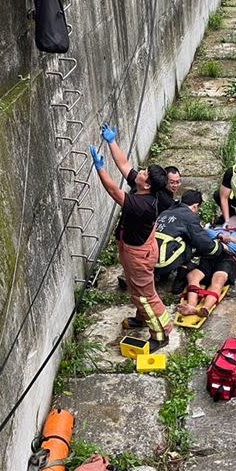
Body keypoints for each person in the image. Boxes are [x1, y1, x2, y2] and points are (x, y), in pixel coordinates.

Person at [91, 123, 173, 347]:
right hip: (137, 249)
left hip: (138, 254)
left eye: (144, 173)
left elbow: (113, 191)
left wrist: (99, 168)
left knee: (145, 295)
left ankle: (161, 333)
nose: (141, 172)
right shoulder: (147, 190)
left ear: (146, 184)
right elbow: (125, 165)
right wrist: (111, 142)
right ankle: (141, 318)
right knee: (137, 287)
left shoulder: (141, 204)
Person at [178, 218, 236, 323]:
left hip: (229, 255)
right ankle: (191, 305)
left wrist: (229, 238)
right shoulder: (215, 229)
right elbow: (203, 235)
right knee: (193, 276)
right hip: (211, 253)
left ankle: (205, 307)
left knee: (219, 279)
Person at [154, 190, 219, 293]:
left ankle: (160, 274)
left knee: (176, 239)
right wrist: (218, 247)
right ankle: (180, 280)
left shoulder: (166, 212)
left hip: (149, 258)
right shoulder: (189, 216)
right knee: (190, 244)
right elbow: (203, 242)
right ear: (195, 206)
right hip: (163, 261)